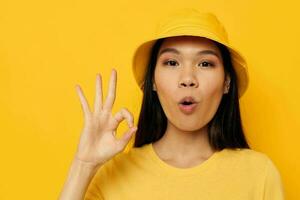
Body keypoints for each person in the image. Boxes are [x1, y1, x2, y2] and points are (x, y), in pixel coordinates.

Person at [59, 8, 285, 200]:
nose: (188, 79)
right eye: (172, 62)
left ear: (226, 82)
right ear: (153, 82)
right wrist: (83, 164)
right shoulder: (112, 174)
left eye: (205, 63)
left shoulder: (259, 175)